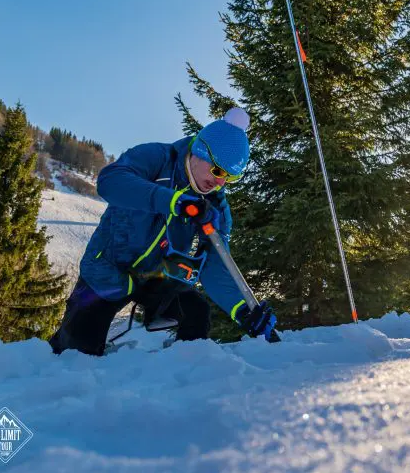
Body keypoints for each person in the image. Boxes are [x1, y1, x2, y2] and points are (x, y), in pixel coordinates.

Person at [48, 107, 276, 356]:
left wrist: (242, 310)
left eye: (229, 178)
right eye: (218, 171)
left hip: (157, 277)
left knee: (196, 312)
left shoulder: (214, 207)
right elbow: (110, 182)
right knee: (76, 351)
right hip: (107, 271)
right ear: (200, 151)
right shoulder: (156, 158)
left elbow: (215, 263)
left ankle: (183, 370)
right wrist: (174, 202)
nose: (220, 182)